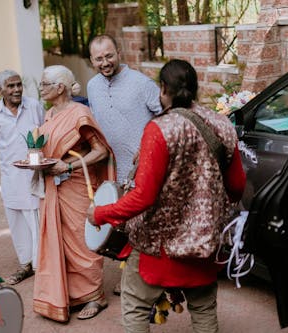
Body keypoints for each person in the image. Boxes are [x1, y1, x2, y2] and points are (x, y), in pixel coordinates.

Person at [87, 59, 246, 333]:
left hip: (158, 246)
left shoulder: (159, 129)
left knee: (135, 305)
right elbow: (237, 187)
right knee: (204, 310)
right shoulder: (221, 125)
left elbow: (143, 197)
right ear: (195, 88)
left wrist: (100, 214)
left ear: (163, 89)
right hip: (204, 243)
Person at [33, 65, 115, 322]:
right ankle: (72, 295)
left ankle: (94, 296)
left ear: (60, 88)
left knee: (82, 241)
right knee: (60, 239)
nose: (40, 88)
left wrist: (67, 166)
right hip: (54, 185)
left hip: (77, 184)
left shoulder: (80, 113)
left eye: (45, 83)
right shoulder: (49, 114)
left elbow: (100, 151)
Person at [87, 33, 162, 296]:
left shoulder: (141, 83)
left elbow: (165, 115)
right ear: (91, 60)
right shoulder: (92, 87)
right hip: (116, 169)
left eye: (109, 56)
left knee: (148, 222)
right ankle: (131, 278)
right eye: (99, 59)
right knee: (125, 226)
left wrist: (147, 147)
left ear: (119, 52)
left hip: (148, 166)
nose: (105, 62)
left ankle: (155, 280)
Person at [0, 70, 45, 284]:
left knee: (35, 220)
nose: (16, 90)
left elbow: (43, 133)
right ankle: (25, 264)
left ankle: (41, 266)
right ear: (1, 89)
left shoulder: (34, 106)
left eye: (19, 85)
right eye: (10, 86)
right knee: (16, 220)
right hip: (10, 175)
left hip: (33, 174)